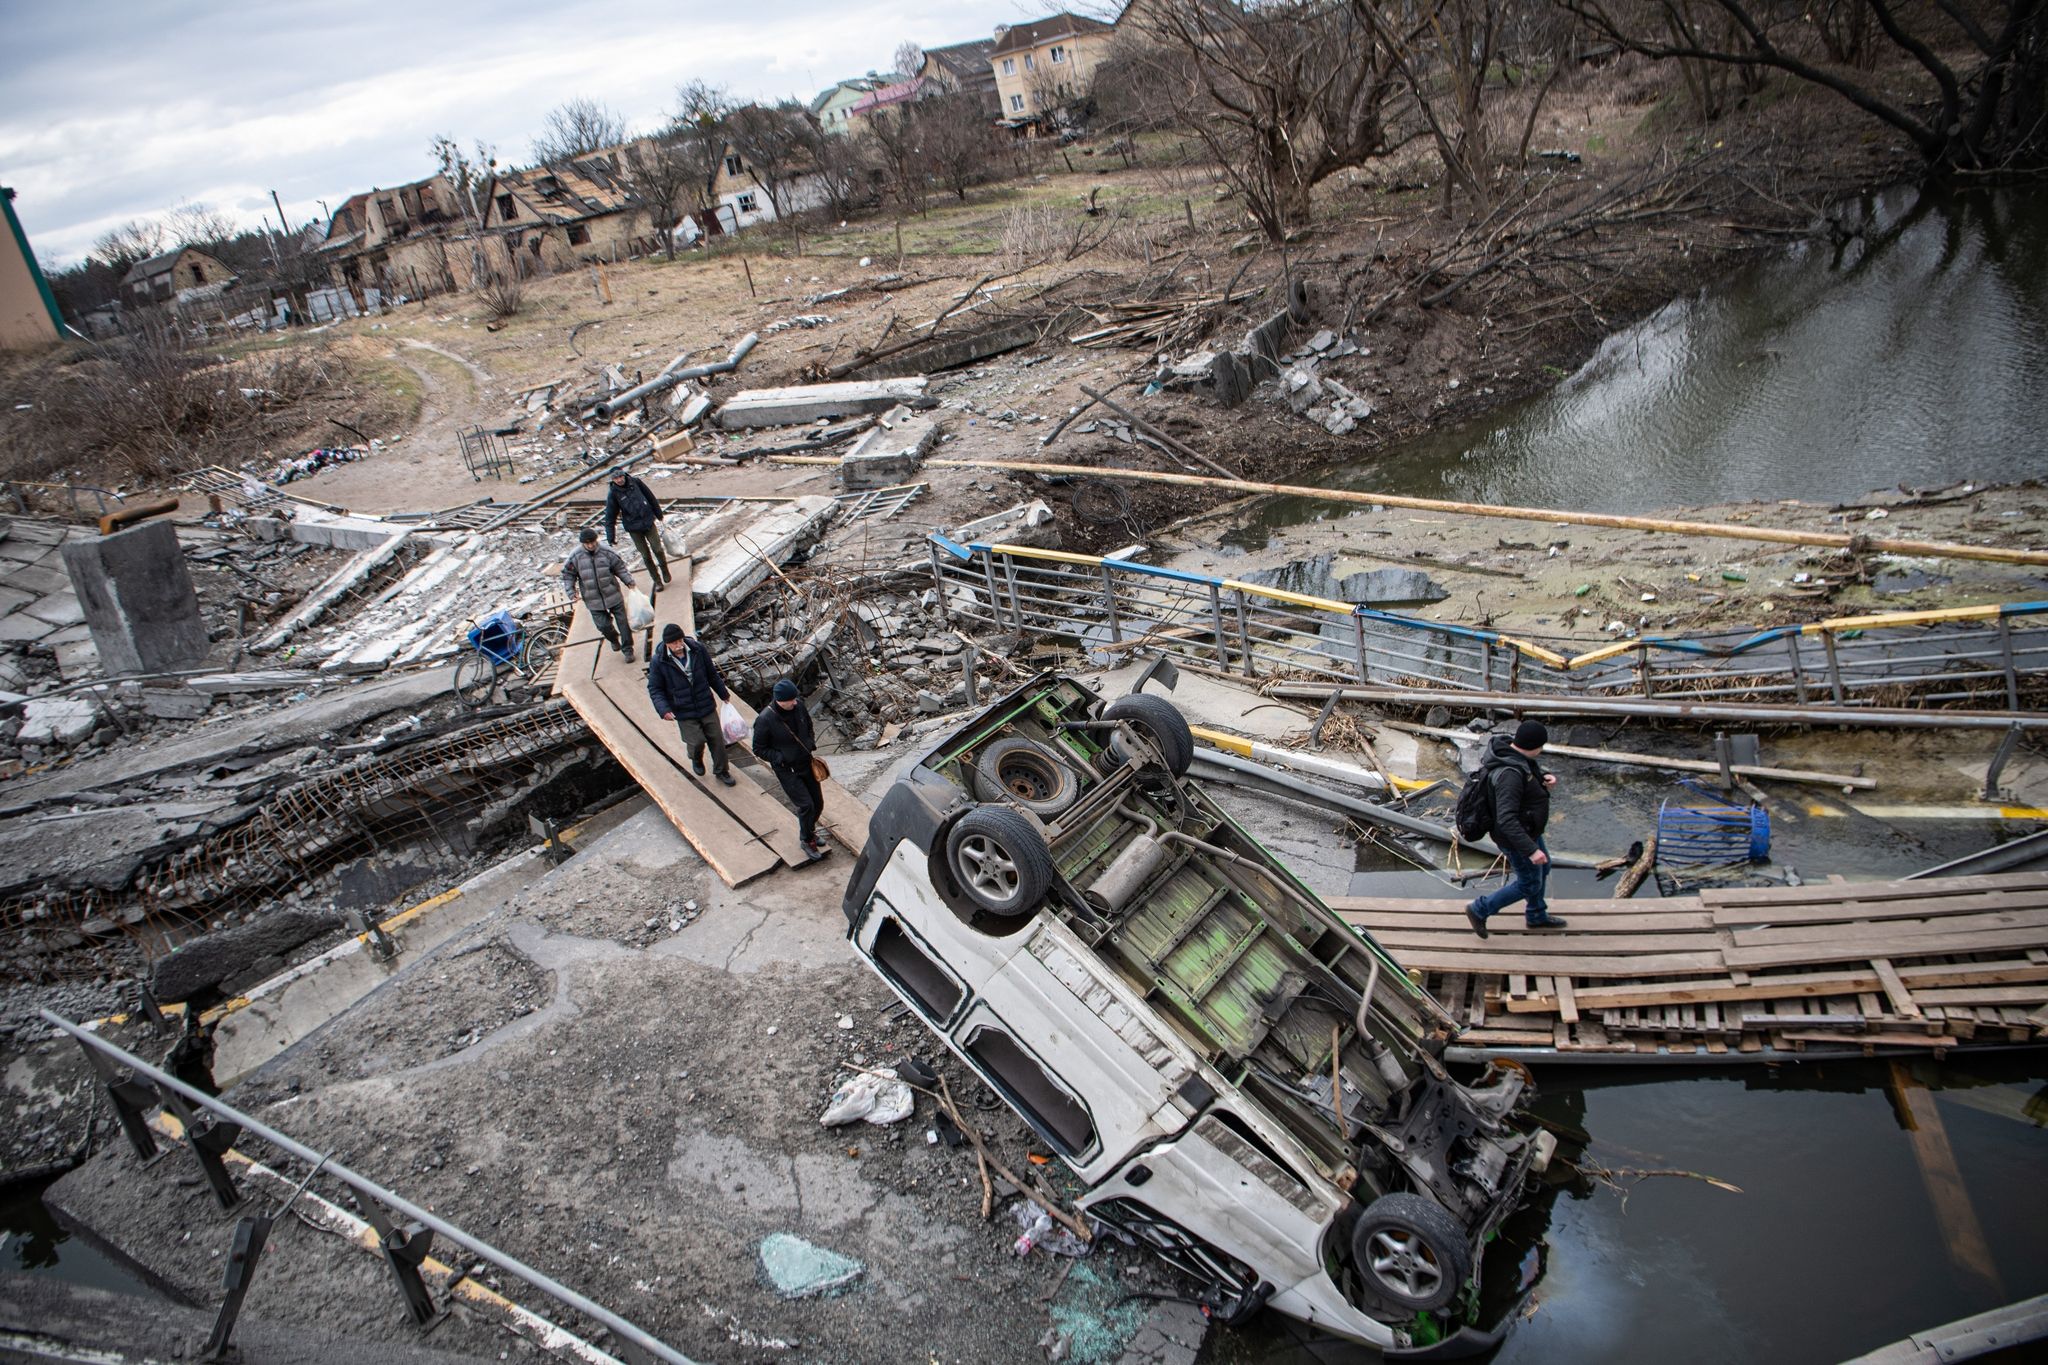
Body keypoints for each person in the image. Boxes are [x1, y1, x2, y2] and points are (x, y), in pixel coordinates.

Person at [1465, 720, 1569, 936]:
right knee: (1529, 883)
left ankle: (1536, 916)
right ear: (1534, 746)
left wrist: (1542, 780)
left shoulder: (1515, 755)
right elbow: (1506, 819)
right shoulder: (1509, 775)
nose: (1541, 750)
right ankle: (1479, 909)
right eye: (1541, 746)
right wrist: (1530, 850)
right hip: (1516, 838)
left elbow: (1527, 781)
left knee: (1543, 868)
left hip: (1529, 831)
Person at [648, 622, 735, 786]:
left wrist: (723, 693)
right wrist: (664, 709)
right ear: (667, 644)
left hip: (705, 704)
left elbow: (711, 673)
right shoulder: (659, 661)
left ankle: (722, 771)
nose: (679, 646)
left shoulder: (697, 650)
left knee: (717, 739)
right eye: (674, 643)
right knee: (696, 742)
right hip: (683, 709)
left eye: (680, 641)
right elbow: (655, 688)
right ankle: (696, 758)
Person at [754, 679, 828, 861]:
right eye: (790, 700)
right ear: (779, 700)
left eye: (795, 699)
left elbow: (808, 726)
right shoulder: (765, 720)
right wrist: (781, 758)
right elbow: (758, 749)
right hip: (788, 770)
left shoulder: (799, 706)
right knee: (806, 805)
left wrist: (810, 742)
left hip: (806, 763)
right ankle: (807, 840)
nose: (794, 703)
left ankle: (809, 831)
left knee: (818, 803)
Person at [561, 527, 638, 659]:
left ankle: (628, 649)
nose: (591, 545)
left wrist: (629, 581)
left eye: (593, 542)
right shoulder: (575, 557)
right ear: (583, 543)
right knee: (603, 626)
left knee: (623, 623)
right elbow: (568, 575)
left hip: (612, 593)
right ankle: (613, 639)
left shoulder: (607, 552)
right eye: (587, 543)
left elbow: (619, 568)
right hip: (592, 599)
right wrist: (571, 591)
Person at [603, 466, 671, 588]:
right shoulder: (613, 493)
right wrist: (611, 536)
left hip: (648, 521)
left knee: (658, 549)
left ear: (624, 475)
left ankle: (664, 569)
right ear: (612, 480)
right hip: (633, 527)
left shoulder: (636, 482)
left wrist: (658, 513)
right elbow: (610, 516)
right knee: (645, 555)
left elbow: (650, 497)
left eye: (620, 476)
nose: (619, 480)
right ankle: (657, 581)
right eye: (616, 478)